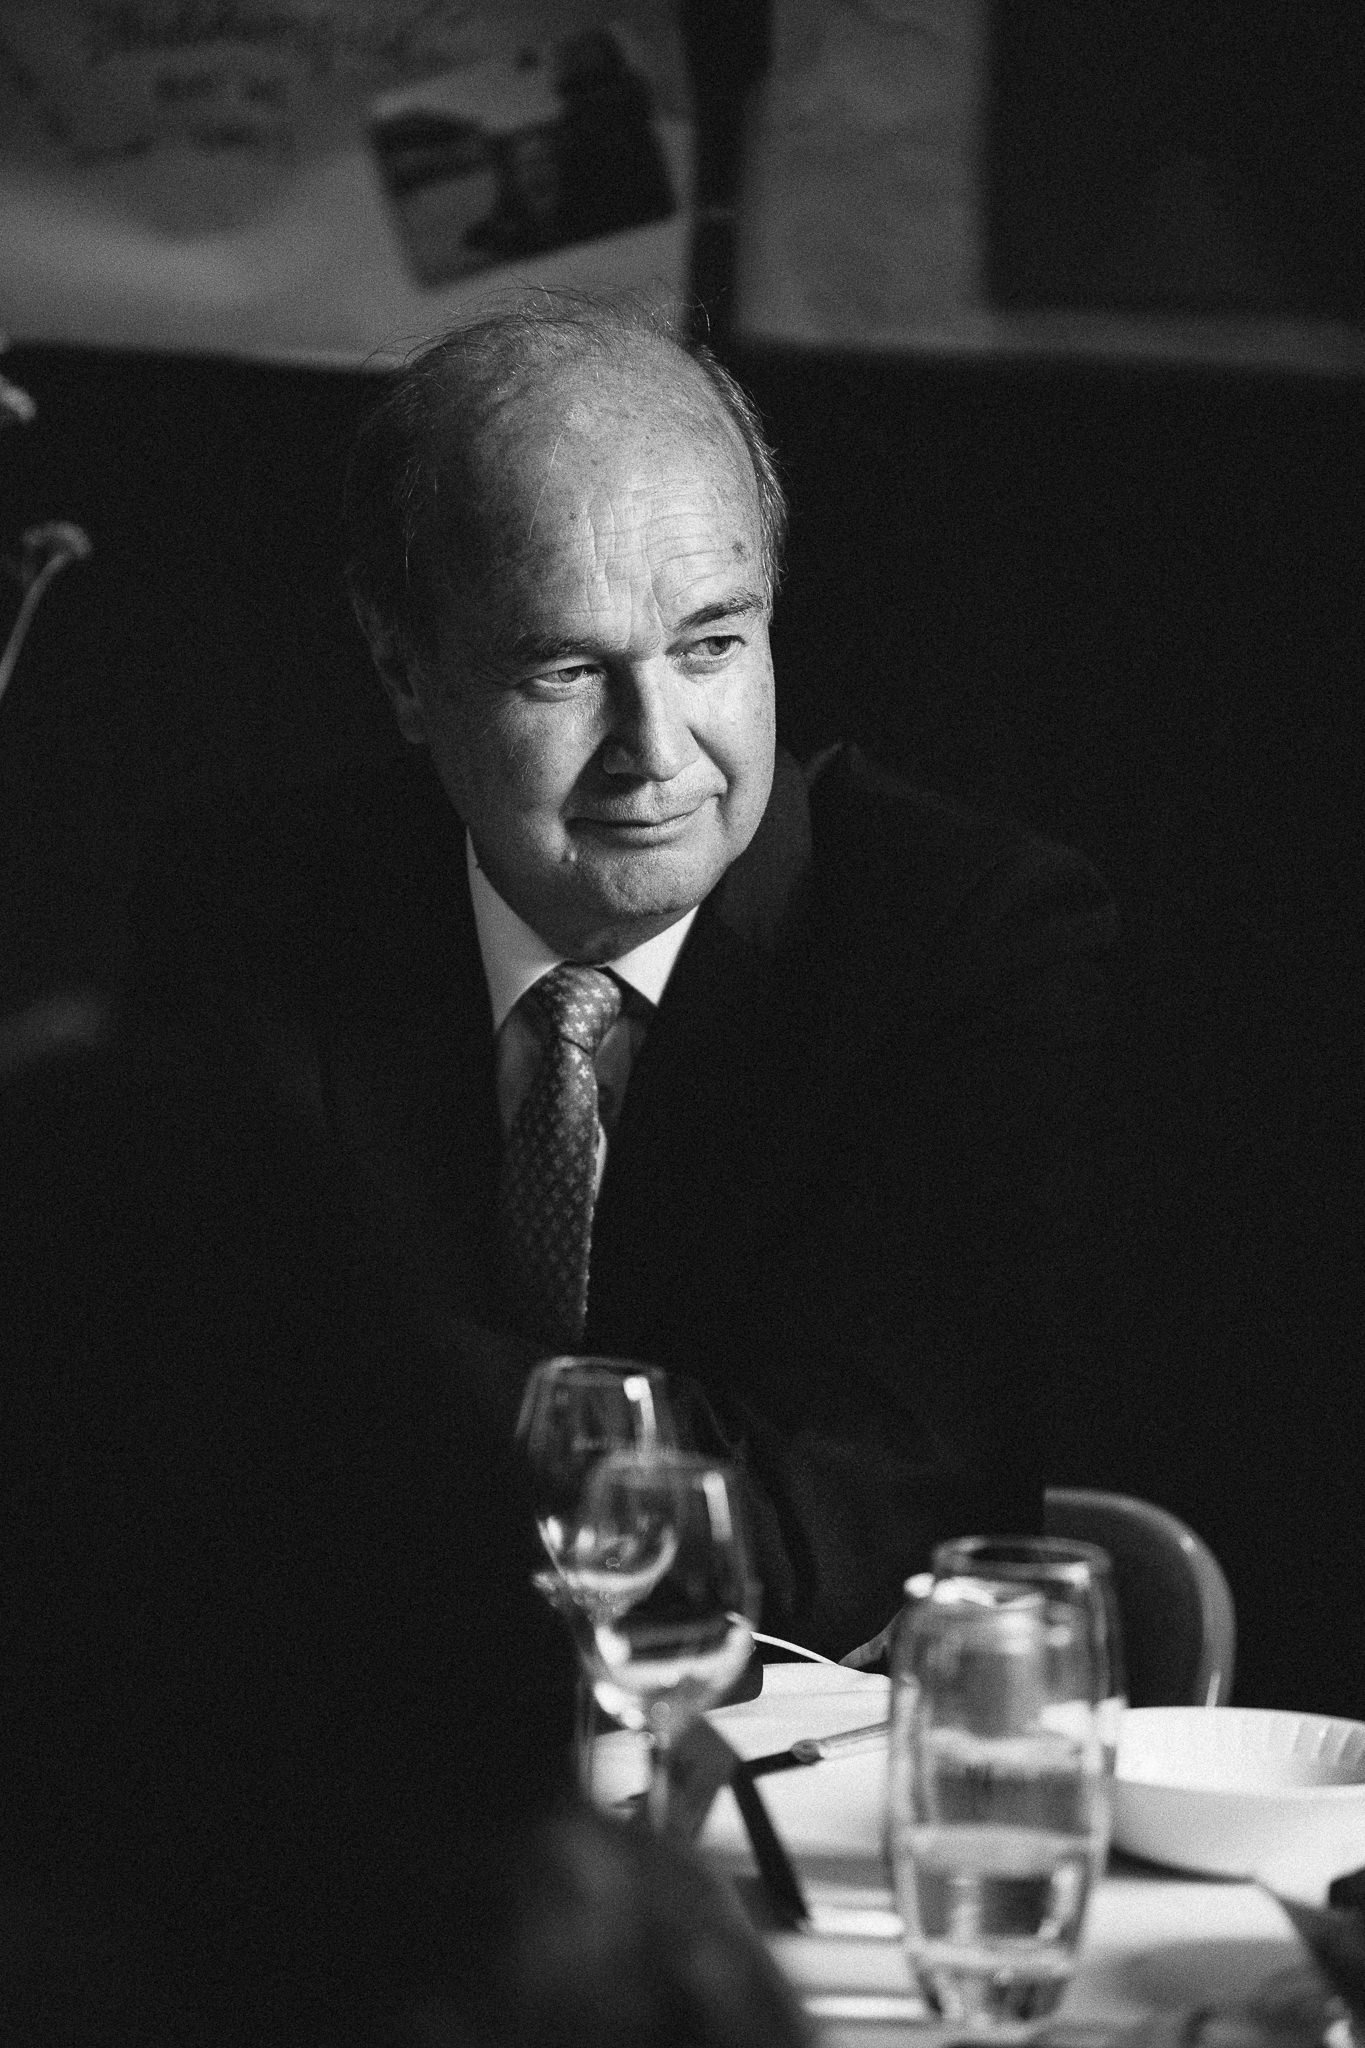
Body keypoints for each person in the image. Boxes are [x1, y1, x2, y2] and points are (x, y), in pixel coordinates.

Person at [136, 291, 1117, 1663]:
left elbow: (843, 1542)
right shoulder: (247, 912)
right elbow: (143, 1450)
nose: (656, 748)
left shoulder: (965, 945)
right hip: (345, 1776)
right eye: (563, 672)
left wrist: (342, 1365)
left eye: (711, 645)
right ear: (400, 669)